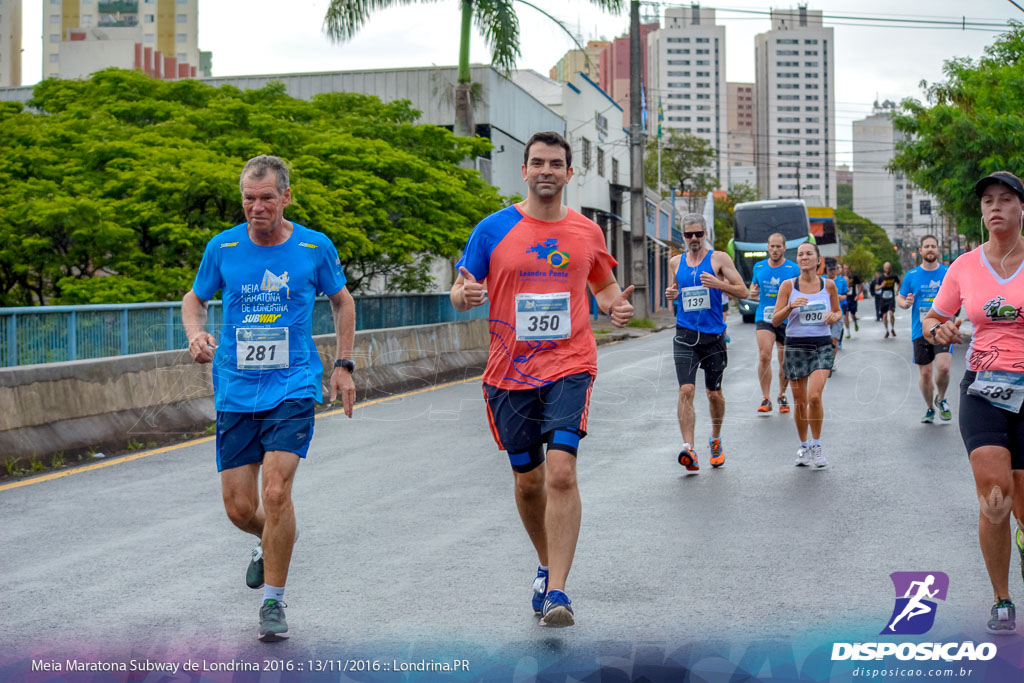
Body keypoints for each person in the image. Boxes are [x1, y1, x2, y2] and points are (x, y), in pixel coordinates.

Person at [450, 131, 633, 628]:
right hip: (509, 371)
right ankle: (546, 561)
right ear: (525, 171)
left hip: (570, 364)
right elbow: (462, 287)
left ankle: (558, 592)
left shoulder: (586, 232)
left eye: (556, 162)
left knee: (560, 473)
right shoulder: (492, 229)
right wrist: (463, 297)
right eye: (538, 162)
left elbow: (604, 286)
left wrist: (615, 306)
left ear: (570, 174)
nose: (547, 169)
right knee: (528, 481)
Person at [182, 155, 357, 642]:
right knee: (240, 508)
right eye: (248, 198)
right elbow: (194, 299)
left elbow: (342, 301)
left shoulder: (313, 246)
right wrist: (195, 332)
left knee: (276, 493)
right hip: (235, 389)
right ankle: (269, 537)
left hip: (293, 385)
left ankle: (273, 603)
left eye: (265, 198)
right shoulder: (224, 246)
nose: (255, 207)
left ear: (285, 197)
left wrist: (344, 365)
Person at [924, 171, 1024, 635]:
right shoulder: (964, 265)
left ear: (1022, 209)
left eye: (1006, 199)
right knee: (996, 499)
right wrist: (939, 330)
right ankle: (1003, 599)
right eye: (988, 200)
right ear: (982, 212)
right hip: (984, 387)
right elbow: (933, 319)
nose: (996, 207)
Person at [665, 214, 748, 471]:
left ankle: (715, 438)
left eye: (698, 234)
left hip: (713, 336)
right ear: (683, 236)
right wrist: (672, 294)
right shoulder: (675, 262)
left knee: (713, 394)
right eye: (688, 235)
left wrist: (719, 284)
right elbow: (676, 292)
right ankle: (689, 449)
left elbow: (743, 291)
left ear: (705, 233)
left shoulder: (719, 259)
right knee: (686, 391)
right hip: (685, 335)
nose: (693, 239)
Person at [772, 241, 842, 468]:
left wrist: (834, 317)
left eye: (808, 253)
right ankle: (804, 445)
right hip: (795, 346)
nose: (804, 257)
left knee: (814, 397)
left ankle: (817, 444)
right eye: (800, 254)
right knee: (800, 402)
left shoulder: (828, 285)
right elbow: (775, 320)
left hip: (821, 346)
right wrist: (790, 306)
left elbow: (837, 311)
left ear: (818, 259)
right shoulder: (787, 286)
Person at [897, 235, 952, 424]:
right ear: (920, 251)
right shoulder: (911, 275)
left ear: (938, 250)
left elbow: (959, 295)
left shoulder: (947, 273)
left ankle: (941, 398)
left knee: (944, 368)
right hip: (920, 331)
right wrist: (905, 304)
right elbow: (901, 297)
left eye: (933, 246)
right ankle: (929, 408)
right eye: (926, 246)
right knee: (926, 374)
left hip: (943, 328)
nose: (930, 249)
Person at [748, 232, 800, 414]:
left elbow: (800, 291)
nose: (775, 250)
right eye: (772, 246)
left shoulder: (793, 268)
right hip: (765, 316)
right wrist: (752, 293)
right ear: (767, 247)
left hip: (786, 318)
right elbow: (753, 288)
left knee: (784, 360)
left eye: (779, 246)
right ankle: (766, 397)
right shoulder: (759, 267)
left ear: (784, 248)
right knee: (764, 355)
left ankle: (782, 394)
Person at [827, 261, 848, 371]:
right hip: (825, 315)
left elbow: (845, 295)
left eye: (833, 269)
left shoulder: (841, 280)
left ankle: (831, 362)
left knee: (834, 340)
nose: (832, 271)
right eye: (830, 269)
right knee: (825, 340)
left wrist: (840, 297)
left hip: (837, 313)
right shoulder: (822, 280)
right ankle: (823, 360)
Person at [878, 262, 901, 338]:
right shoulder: (881, 278)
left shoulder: (894, 276)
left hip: (891, 298)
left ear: (890, 268)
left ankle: (892, 329)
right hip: (883, 299)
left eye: (888, 268)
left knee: (891, 314)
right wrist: (882, 285)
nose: (887, 269)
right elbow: (876, 287)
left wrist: (898, 291)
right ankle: (886, 331)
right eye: (886, 268)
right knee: (884, 316)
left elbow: (899, 283)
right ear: (884, 268)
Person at [843, 263, 862, 338]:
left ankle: (855, 323)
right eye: (844, 268)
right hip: (845, 298)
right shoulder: (841, 278)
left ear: (850, 269)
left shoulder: (854, 276)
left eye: (847, 268)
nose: (846, 270)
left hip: (853, 298)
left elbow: (860, 285)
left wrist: (858, 295)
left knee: (853, 315)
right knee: (846, 315)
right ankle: (848, 332)